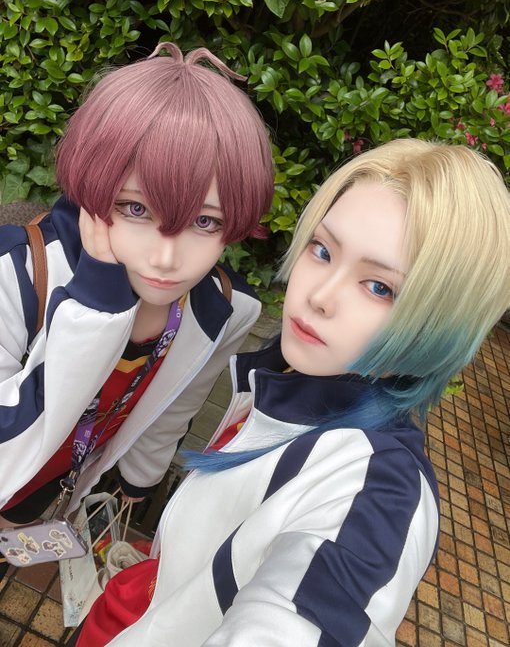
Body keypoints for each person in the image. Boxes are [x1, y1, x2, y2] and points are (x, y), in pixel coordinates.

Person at [75, 137, 510, 647]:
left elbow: (313, 609)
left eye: (380, 287)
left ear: (443, 325)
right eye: (322, 250)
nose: (319, 296)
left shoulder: (377, 494)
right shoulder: (280, 377)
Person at [0, 42, 274, 550]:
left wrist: (139, 480)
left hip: (54, 497)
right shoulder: (15, 274)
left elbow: (175, 404)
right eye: (136, 209)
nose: (167, 258)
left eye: (204, 220)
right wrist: (98, 305)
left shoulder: (224, 309)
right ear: (93, 187)